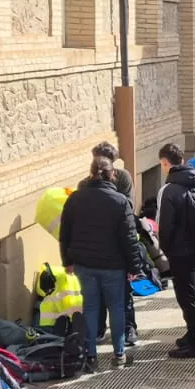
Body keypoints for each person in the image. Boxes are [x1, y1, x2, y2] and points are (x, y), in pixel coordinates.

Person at [59, 157, 138, 372]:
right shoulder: (120, 201)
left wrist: (67, 261)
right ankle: (119, 354)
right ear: (113, 175)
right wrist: (134, 267)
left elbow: (64, 233)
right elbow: (129, 238)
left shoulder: (75, 199)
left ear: (91, 173)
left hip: (84, 264)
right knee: (117, 308)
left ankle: (91, 356)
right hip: (114, 266)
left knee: (90, 309)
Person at [156, 144, 195, 360]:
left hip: (181, 253)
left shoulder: (169, 190)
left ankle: (194, 342)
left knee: (187, 296)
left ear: (165, 163)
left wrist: (166, 252)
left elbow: (165, 226)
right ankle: (192, 334)